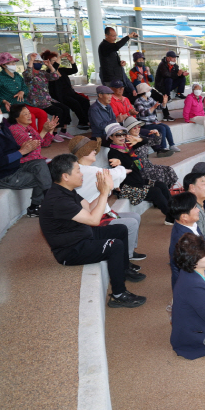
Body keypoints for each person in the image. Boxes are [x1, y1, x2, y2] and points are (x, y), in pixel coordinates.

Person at [39, 154, 147, 307]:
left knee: (121, 229)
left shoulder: (66, 190)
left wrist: (107, 190)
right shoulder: (59, 200)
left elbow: (88, 208)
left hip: (82, 235)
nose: (81, 173)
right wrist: (103, 193)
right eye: (78, 171)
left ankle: (123, 269)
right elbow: (94, 220)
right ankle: (118, 294)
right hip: (70, 250)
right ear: (65, 176)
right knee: (115, 245)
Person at [69, 135, 147, 262]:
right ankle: (127, 256)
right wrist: (122, 167)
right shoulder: (89, 171)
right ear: (84, 152)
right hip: (94, 216)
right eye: (92, 149)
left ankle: (130, 251)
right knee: (131, 223)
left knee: (135, 216)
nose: (95, 151)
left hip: (98, 211)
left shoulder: (84, 169)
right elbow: (115, 173)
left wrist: (121, 168)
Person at [0, 100, 52, 217]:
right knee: (44, 176)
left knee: (40, 164)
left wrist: (24, 149)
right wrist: (22, 151)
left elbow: (15, 149)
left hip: (14, 166)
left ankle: (40, 205)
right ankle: (40, 205)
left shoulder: (3, 127)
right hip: (2, 175)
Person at [105, 123, 173, 224]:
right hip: (127, 187)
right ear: (111, 137)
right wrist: (122, 163)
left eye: (123, 134)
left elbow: (146, 141)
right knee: (156, 192)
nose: (122, 137)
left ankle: (174, 209)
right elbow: (125, 170)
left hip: (137, 181)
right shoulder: (113, 153)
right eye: (118, 135)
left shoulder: (127, 146)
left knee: (161, 185)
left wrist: (138, 139)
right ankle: (171, 217)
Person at [0, 52, 49, 132]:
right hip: (10, 106)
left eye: (14, 63)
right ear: (3, 65)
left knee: (42, 114)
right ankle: (34, 140)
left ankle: (41, 138)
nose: (14, 64)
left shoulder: (17, 75)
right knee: (31, 116)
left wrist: (22, 92)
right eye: (11, 63)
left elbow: (25, 88)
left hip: (23, 104)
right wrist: (3, 101)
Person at [23, 53, 72, 142]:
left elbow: (55, 77)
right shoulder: (27, 73)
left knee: (65, 108)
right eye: (36, 61)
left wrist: (50, 66)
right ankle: (54, 133)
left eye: (40, 61)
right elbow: (28, 75)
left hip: (47, 99)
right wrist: (31, 60)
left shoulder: (42, 73)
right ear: (31, 62)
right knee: (58, 111)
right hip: (37, 101)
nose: (39, 63)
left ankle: (63, 131)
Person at [122, 116, 178, 188]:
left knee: (169, 169)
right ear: (129, 130)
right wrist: (140, 140)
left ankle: (170, 189)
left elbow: (156, 142)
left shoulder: (140, 137)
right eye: (134, 128)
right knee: (160, 173)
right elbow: (137, 146)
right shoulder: (127, 141)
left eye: (138, 127)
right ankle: (165, 190)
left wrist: (157, 134)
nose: (137, 129)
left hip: (148, 164)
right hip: (139, 168)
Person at [41, 50, 90, 130]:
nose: (57, 61)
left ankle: (87, 120)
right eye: (55, 60)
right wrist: (60, 57)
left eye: (57, 59)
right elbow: (54, 68)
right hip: (60, 96)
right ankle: (83, 122)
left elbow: (74, 70)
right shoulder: (49, 73)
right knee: (75, 103)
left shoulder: (62, 70)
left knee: (85, 101)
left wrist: (72, 61)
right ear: (48, 62)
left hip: (71, 93)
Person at [133, 83, 179, 154]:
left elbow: (160, 107)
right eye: (148, 90)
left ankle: (172, 145)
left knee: (166, 127)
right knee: (162, 128)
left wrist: (164, 103)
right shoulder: (138, 101)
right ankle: (163, 148)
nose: (150, 92)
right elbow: (143, 113)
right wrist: (153, 107)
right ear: (143, 92)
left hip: (154, 122)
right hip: (145, 124)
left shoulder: (150, 99)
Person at [130, 52, 174, 122]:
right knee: (149, 102)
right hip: (141, 90)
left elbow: (151, 80)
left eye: (142, 60)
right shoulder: (132, 71)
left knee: (161, 98)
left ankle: (166, 115)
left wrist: (149, 72)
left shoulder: (145, 68)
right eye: (139, 60)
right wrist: (138, 79)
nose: (141, 61)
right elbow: (134, 83)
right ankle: (153, 119)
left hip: (148, 88)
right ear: (135, 61)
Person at [99, 27, 138, 103]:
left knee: (122, 99)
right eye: (113, 36)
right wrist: (128, 37)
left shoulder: (110, 46)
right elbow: (117, 46)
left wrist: (120, 63)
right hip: (110, 79)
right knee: (114, 100)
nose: (115, 38)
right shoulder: (104, 46)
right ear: (106, 35)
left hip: (117, 77)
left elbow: (110, 60)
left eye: (116, 36)